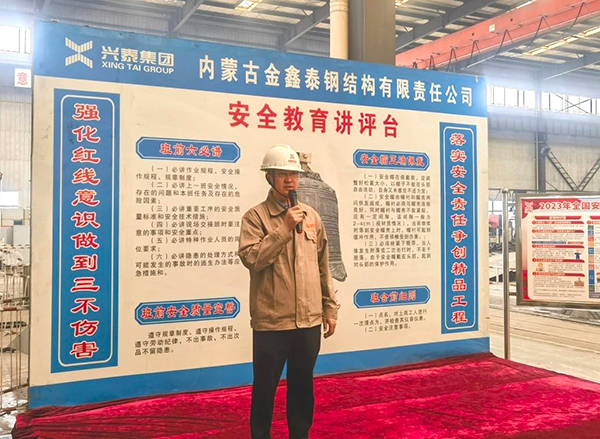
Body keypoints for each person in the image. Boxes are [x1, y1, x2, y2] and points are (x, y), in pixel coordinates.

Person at [238, 144, 339, 439]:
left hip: (308, 322)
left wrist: (329, 308)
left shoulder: (312, 216)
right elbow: (252, 259)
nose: (290, 181)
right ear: (269, 177)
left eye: (293, 175)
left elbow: (323, 266)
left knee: (302, 387)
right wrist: (283, 229)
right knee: (265, 388)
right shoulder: (255, 217)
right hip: (272, 322)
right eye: (282, 174)